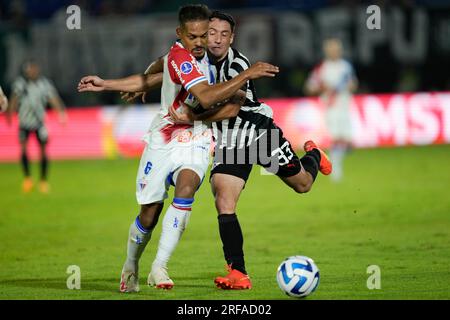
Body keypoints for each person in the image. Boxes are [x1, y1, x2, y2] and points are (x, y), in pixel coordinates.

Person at [77, 4, 278, 292]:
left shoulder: (211, 55)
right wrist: (247, 74)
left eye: (204, 36)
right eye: (193, 36)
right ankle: (132, 264)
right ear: (179, 34)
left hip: (196, 135)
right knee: (150, 212)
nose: (200, 42)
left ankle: (160, 266)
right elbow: (203, 95)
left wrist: (120, 83)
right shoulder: (180, 56)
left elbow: (153, 75)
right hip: (165, 136)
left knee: (187, 188)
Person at [168, 11, 332, 290]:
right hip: (231, 139)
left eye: (224, 34)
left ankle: (314, 154)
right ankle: (238, 272)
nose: (217, 39)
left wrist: (191, 118)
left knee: (303, 184)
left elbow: (231, 108)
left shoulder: (237, 64)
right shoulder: (198, 62)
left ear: (232, 38)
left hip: (258, 132)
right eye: (211, 33)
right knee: (223, 199)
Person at [6, 59, 67, 194]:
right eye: (30, 70)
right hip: (24, 122)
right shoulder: (20, 84)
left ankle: (43, 181)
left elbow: (53, 99)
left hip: (40, 123)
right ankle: (27, 179)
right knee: (23, 149)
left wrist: (61, 113)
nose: (33, 72)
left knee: (44, 151)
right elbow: (14, 99)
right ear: (26, 71)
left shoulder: (44, 84)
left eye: (34, 69)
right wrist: (9, 113)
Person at [305, 38, 357, 182]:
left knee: (347, 140)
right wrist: (321, 88)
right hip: (330, 107)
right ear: (327, 51)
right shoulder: (322, 67)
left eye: (337, 49)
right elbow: (309, 87)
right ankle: (335, 169)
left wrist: (348, 87)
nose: (335, 52)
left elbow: (353, 84)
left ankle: (333, 161)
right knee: (336, 138)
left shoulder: (345, 66)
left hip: (345, 106)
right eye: (332, 49)